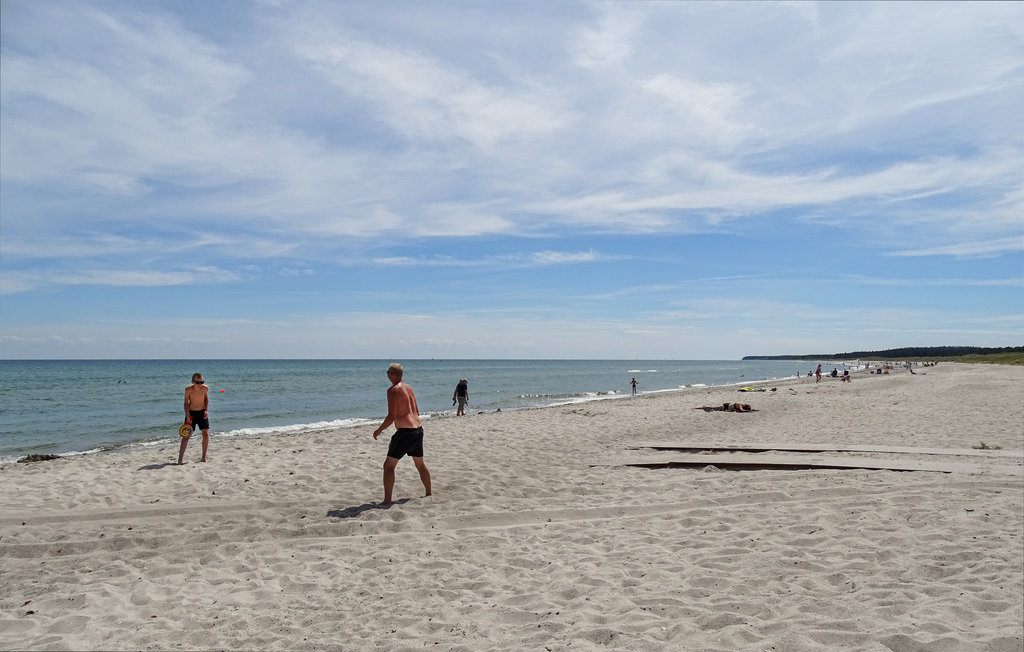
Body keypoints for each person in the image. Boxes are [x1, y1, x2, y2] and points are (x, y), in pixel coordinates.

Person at [372, 363, 432, 506]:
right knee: (419, 464)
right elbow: (415, 411)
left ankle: (387, 500)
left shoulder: (393, 390)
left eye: (388, 372)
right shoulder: (409, 388)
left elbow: (391, 416)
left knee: (388, 466)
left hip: (406, 432)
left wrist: (379, 430)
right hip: (418, 429)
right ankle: (429, 493)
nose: (387, 375)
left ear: (393, 374)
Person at [179, 372, 209, 465]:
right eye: (198, 382)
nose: (200, 384)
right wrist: (187, 414)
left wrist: (206, 410)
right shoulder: (188, 389)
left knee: (206, 435)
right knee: (186, 436)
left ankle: (203, 458)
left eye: (202, 382)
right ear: (193, 382)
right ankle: (180, 460)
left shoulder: (205, 388)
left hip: (202, 412)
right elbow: (186, 402)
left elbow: (206, 399)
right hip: (191, 413)